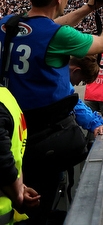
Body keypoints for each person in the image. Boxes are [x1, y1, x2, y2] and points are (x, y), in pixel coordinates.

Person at [0, 0, 103, 223]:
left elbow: (45, 28)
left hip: (10, 128)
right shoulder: (56, 37)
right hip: (43, 137)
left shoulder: (7, 24)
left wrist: (90, 8)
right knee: (40, 207)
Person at [0, 85, 39, 222]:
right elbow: (15, 151)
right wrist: (20, 188)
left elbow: (3, 162)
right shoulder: (7, 97)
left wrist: (18, 195)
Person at [68, 56, 103, 138]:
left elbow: (75, 102)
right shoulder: (59, 82)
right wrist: (95, 124)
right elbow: (73, 105)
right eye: (81, 80)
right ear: (76, 71)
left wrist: (98, 121)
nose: (77, 84)